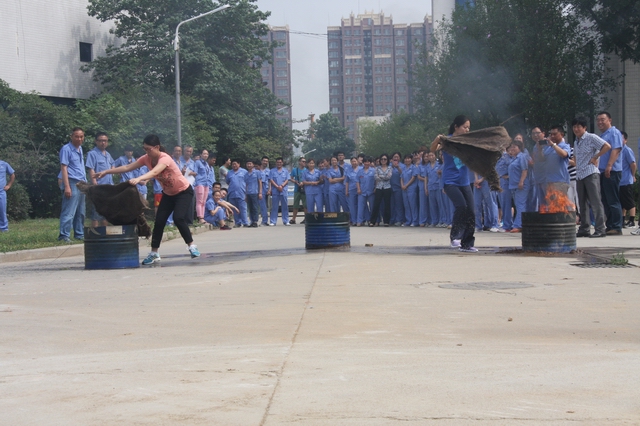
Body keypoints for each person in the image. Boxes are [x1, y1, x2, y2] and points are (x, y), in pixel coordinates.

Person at [95, 134, 200, 264]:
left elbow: (154, 172)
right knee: (159, 221)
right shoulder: (146, 158)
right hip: (168, 194)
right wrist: (106, 171)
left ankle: (192, 246)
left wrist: (139, 178)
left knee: (178, 218)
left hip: (183, 192)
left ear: (157, 147)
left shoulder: (165, 158)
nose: (146, 152)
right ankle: (154, 253)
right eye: (144, 149)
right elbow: (127, 167)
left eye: (148, 149)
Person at [431, 115, 477, 252]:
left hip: (464, 181)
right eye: (465, 127)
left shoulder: (467, 142)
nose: (467, 130)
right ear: (456, 127)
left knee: (471, 211)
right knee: (461, 206)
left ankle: (467, 244)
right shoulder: (447, 141)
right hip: (450, 181)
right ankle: (455, 236)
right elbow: (433, 149)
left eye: (468, 128)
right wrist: (437, 139)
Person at [572, 116, 611, 238]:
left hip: (590, 173)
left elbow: (607, 146)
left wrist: (595, 157)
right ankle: (584, 228)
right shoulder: (576, 141)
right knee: (582, 203)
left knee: (595, 202)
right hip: (579, 175)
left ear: (584, 127)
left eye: (579, 126)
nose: (576, 129)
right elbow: (576, 158)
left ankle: (600, 229)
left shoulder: (591, 137)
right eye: (574, 127)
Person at [596, 112, 624, 235]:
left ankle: (616, 226)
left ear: (610, 120)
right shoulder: (602, 135)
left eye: (602, 119)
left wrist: (609, 165)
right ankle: (610, 225)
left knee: (613, 199)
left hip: (611, 171)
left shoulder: (614, 132)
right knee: (606, 200)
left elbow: (616, 150)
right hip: (602, 171)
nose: (600, 122)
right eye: (598, 120)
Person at [58, 127, 88, 242]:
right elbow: (64, 168)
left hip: (82, 183)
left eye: (81, 137)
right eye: (76, 136)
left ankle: (79, 234)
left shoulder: (80, 149)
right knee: (69, 211)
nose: (79, 139)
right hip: (71, 181)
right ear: (71, 136)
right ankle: (64, 235)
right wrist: (67, 186)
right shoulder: (66, 149)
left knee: (81, 212)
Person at [533, 125, 572, 210]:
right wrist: (540, 149)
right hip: (548, 182)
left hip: (559, 182)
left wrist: (553, 145)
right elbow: (541, 159)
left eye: (555, 134)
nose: (552, 136)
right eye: (551, 134)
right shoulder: (548, 147)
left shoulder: (565, 146)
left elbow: (564, 154)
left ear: (561, 134)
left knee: (560, 207)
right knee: (551, 208)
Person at [85, 132, 115, 227]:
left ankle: (104, 232)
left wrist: (112, 172)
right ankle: (95, 232)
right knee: (96, 211)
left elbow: (113, 164)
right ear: (96, 141)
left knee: (106, 212)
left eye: (105, 141)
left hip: (109, 186)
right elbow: (91, 169)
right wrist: (94, 184)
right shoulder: (92, 154)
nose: (103, 143)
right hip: (99, 186)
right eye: (101, 141)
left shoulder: (108, 154)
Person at [507, 142, 530, 233]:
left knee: (521, 205)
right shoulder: (513, 158)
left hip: (521, 185)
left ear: (520, 148)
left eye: (514, 147)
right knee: (517, 205)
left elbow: (524, 170)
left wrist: (521, 181)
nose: (512, 148)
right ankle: (519, 223)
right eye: (511, 147)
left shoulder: (522, 157)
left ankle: (519, 225)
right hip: (513, 185)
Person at [619, 132, 637, 229]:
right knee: (622, 202)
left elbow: (633, 164)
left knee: (629, 201)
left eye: (621, 138)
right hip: (619, 181)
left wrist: (633, 175)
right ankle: (622, 220)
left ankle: (632, 220)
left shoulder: (627, 150)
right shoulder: (617, 150)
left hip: (626, 180)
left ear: (626, 140)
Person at [369, 153, 392, 226]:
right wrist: (383, 177)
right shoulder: (377, 168)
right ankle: (372, 221)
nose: (383, 160)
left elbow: (388, 177)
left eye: (385, 159)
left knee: (387, 205)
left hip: (387, 188)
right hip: (379, 188)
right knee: (376, 205)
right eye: (382, 159)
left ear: (387, 160)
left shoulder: (390, 168)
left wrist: (381, 176)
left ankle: (386, 221)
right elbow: (376, 177)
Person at [226, 160, 249, 227]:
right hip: (232, 193)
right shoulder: (229, 172)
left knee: (243, 208)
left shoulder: (244, 172)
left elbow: (247, 182)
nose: (234, 165)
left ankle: (245, 222)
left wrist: (246, 192)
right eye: (233, 164)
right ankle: (237, 222)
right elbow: (228, 181)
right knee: (234, 208)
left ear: (239, 164)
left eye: (235, 164)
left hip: (242, 192)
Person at [269, 157, 290, 226]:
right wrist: (277, 187)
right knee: (274, 207)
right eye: (278, 162)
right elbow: (271, 180)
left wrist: (282, 186)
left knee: (285, 206)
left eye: (280, 162)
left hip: (283, 190)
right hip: (275, 191)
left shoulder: (285, 171)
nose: (279, 164)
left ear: (282, 163)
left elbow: (287, 180)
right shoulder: (272, 171)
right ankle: (273, 221)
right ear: (276, 163)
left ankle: (286, 220)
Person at [194, 149, 212, 223]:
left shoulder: (207, 164)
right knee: (199, 201)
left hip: (206, 184)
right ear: (200, 154)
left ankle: (203, 217)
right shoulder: (198, 162)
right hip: (199, 183)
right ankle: (200, 217)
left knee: (204, 201)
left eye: (207, 154)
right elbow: (195, 172)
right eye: (204, 154)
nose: (205, 155)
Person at [356, 156, 376, 226]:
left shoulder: (373, 171)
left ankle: (374, 221)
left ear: (370, 163)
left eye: (368, 162)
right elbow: (357, 181)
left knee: (372, 206)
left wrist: (375, 188)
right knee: (361, 207)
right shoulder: (360, 171)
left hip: (371, 191)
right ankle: (359, 221)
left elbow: (376, 180)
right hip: (362, 191)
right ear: (363, 162)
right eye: (365, 162)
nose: (366, 163)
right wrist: (358, 189)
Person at [401, 154, 419, 226]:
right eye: (406, 158)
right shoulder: (404, 168)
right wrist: (402, 185)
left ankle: (415, 221)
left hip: (411, 188)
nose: (407, 160)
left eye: (408, 158)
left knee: (413, 205)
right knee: (406, 205)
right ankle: (408, 220)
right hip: (404, 189)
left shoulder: (413, 168)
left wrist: (406, 185)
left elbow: (413, 177)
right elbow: (401, 178)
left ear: (411, 160)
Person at [289, 157, 307, 224]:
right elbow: (291, 178)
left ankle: (306, 218)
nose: (304, 163)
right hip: (297, 189)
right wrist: (295, 181)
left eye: (305, 161)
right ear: (299, 162)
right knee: (295, 205)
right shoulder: (295, 170)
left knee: (305, 205)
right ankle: (293, 219)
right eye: (303, 161)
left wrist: (303, 183)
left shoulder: (306, 170)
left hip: (304, 189)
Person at [245, 160, 262, 227]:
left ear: (253, 165)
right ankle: (251, 221)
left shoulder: (257, 172)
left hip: (255, 192)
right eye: (247, 164)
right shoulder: (246, 174)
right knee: (250, 208)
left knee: (255, 207)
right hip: (248, 193)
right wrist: (245, 194)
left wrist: (260, 192)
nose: (249, 165)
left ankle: (255, 221)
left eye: (250, 164)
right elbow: (246, 184)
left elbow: (260, 182)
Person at [0, 158, 16, 232]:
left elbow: (12, 175)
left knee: (2, 210)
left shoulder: (4, 164)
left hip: (1, 192)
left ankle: (4, 228)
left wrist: (9, 185)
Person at [390, 152, 405, 226]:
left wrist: (398, 167)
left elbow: (404, 174)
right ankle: (392, 219)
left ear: (400, 158)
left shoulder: (403, 166)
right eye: (394, 157)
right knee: (391, 205)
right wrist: (392, 167)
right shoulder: (389, 166)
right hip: (390, 188)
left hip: (398, 188)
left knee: (398, 205)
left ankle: (399, 219)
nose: (396, 158)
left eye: (397, 157)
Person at [344, 157, 360, 225]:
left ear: (357, 161)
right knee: (352, 206)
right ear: (350, 162)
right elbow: (347, 181)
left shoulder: (361, 169)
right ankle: (354, 220)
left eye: (355, 161)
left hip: (360, 189)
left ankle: (360, 220)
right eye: (352, 161)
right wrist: (346, 191)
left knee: (360, 205)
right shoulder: (348, 170)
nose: (354, 163)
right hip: (351, 189)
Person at [259, 156, 271, 225]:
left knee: (264, 205)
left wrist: (269, 189)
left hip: (265, 189)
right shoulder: (258, 170)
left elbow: (270, 181)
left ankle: (264, 221)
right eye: (264, 161)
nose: (265, 162)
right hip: (258, 189)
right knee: (260, 205)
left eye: (266, 161)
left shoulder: (269, 171)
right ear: (261, 161)